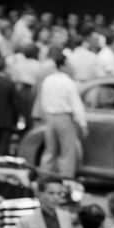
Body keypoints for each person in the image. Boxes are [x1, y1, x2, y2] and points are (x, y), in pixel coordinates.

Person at [36, 48, 87, 178]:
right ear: (63, 65)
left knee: (49, 151)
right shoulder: (68, 82)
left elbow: (43, 100)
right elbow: (76, 105)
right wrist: (82, 123)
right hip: (64, 117)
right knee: (67, 153)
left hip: (49, 117)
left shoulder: (48, 80)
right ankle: (66, 180)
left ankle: (44, 178)